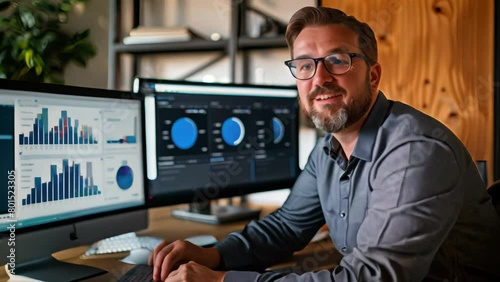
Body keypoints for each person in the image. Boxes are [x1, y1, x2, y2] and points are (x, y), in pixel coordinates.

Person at [149, 6, 500, 282]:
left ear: (373, 76)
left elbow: (371, 279)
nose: (319, 78)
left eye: (337, 60)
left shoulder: (414, 152)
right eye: (304, 65)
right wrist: (215, 255)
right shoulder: (328, 149)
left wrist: (223, 280)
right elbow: (286, 227)